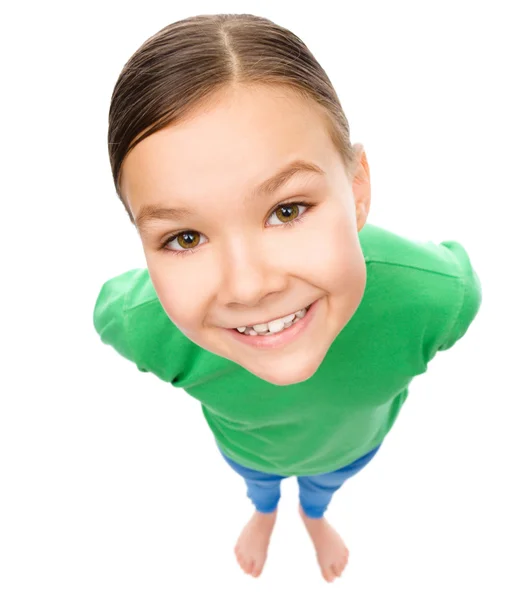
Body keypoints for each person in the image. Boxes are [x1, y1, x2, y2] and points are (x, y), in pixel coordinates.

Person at [93, 14, 482, 583]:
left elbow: (459, 279)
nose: (250, 286)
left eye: (287, 210)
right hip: (248, 448)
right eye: (185, 237)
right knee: (257, 478)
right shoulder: (142, 325)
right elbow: (111, 308)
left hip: (354, 446)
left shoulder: (437, 295)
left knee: (327, 482)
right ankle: (265, 508)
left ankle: (315, 511)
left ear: (356, 189)